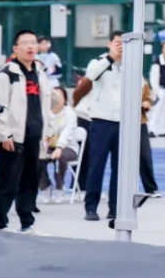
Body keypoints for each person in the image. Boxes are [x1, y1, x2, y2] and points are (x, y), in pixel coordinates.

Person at [0, 30, 52, 232]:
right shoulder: (6, 75)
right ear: (15, 48)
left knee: (30, 181)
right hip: (14, 137)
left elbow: (46, 106)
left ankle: (27, 223)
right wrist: (4, 134)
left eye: (33, 42)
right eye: (25, 43)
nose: (30, 46)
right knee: (7, 181)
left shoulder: (40, 74)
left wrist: (48, 131)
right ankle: (1, 224)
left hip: (35, 136)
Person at [83, 31, 125, 224]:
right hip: (101, 120)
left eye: (124, 43)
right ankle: (91, 206)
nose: (120, 46)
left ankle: (115, 207)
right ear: (109, 44)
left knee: (119, 168)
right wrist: (110, 58)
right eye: (117, 42)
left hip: (122, 121)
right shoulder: (98, 62)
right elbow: (91, 75)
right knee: (96, 165)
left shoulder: (130, 65)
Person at [39, 88, 78, 204]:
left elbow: (67, 133)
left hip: (68, 148)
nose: (55, 98)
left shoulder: (70, 114)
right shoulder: (45, 113)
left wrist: (59, 147)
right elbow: (43, 132)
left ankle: (59, 187)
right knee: (37, 156)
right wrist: (45, 143)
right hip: (49, 147)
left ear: (65, 99)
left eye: (59, 95)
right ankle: (45, 186)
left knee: (60, 157)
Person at [148, 41, 165, 138]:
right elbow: (153, 77)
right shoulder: (157, 62)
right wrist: (156, 89)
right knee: (157, 109)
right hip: (160, 88)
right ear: (162, 49)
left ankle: (163, 129)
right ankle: (152, 129)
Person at [139, 80, 160, 196]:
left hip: (139, 122)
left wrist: (146, 103)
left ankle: (151, 188)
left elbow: (147, 98)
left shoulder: (141, 80)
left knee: (144, 156)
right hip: (114, 121)